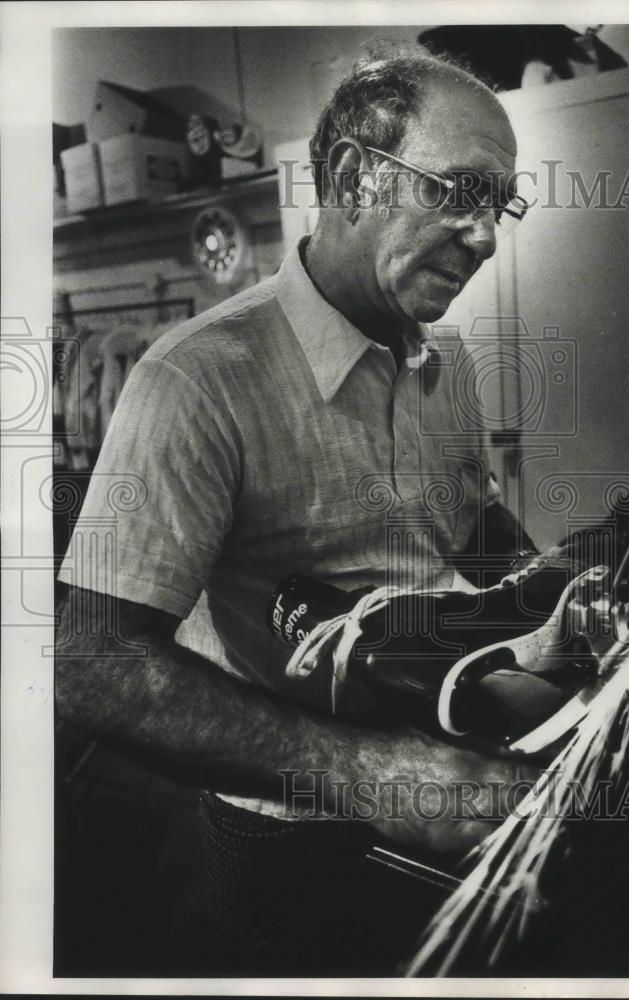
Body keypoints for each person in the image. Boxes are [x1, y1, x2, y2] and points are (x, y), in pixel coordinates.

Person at [55, 50, 538, 974]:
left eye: (501, 205)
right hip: (289, 838)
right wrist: (365, 773)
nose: (484, 236)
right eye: (463, 193)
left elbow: (468, 526)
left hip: (446, 777)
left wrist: (554, 593)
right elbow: (93, 663)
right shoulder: (193, 379)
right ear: (358, 177)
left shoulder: (444, 366)